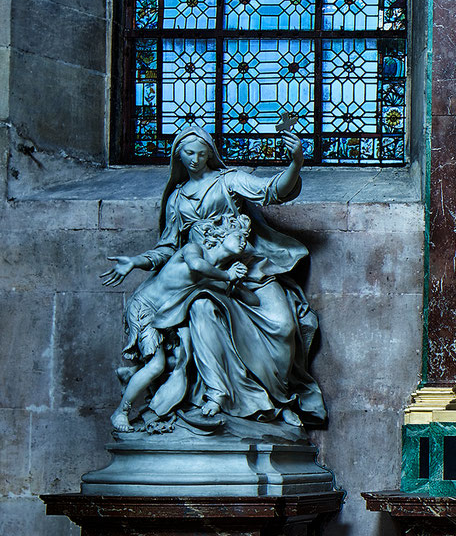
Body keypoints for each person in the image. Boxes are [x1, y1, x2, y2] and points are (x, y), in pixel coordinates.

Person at [99, 124, 323, 434]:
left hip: (250, 270)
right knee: (202, 311)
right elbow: (167, 248)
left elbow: (273, 190)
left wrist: (296, 161)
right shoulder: (177, 199)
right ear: (178, 155)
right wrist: (136, 262)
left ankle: (280, 400)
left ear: (210, 154)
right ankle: (219, 396)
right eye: (189, 153)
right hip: (206, 280)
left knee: (284, 327)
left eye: (202, 153)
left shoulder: (229, 180)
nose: (195, 159)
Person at [112, 211, 252, 432]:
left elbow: (246, 299)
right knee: (157, 366)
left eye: (246, 237)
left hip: (167, 319)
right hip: (145, 309)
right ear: (219, 235)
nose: (244, 241)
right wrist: (228, 276)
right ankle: (121, 412)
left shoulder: (215, 274)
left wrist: (237, 281)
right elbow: (197, 266)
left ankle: (131, 374)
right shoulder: (193, 250)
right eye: (238, 235)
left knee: (183, 358)